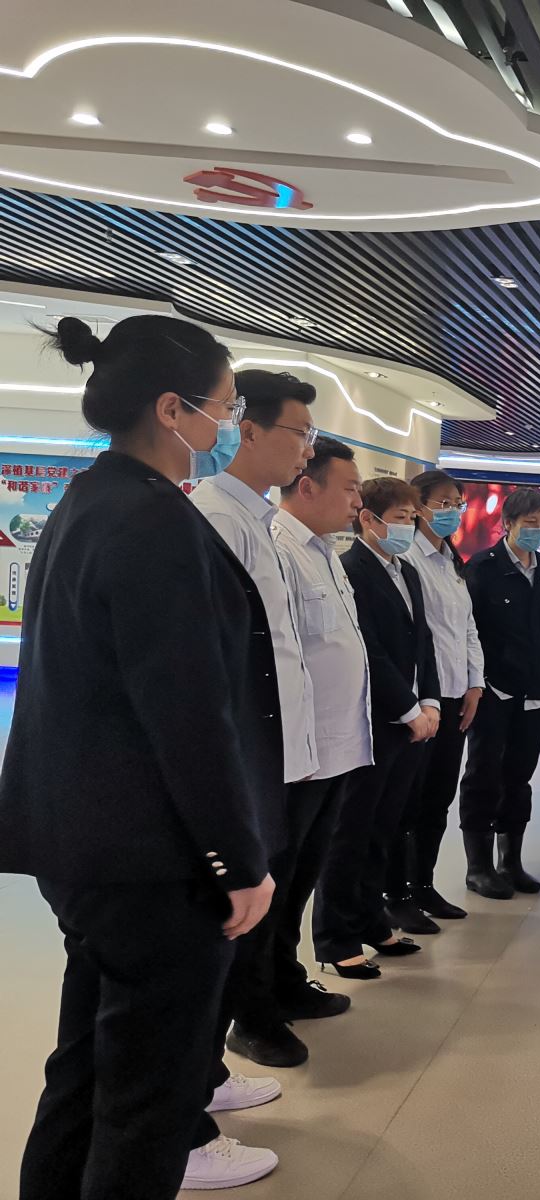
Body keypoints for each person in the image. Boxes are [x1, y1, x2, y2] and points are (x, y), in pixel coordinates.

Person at [0, 315, 281, 1196]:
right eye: (224, 408)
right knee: (148, 1098)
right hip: (149, 860)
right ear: (171, 409)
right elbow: (187, 712)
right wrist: (237, 859)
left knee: (87, 1068)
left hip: (85, 844)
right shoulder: (154, 520)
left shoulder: (89, 502)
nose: (227, 425)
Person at [190, 369, 318, 1081]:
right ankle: (203, 1074)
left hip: (280, 751)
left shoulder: (263, 521)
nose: (308, 449)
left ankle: (214, 1066)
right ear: (248, 429)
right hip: (243, 755)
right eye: (300, 433)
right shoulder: (216, 517)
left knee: (264, 902)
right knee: (229, 915)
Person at [315, 478, 441, 978]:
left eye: (413, 517)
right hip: (372, 718)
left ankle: (372, 919)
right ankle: (335, 936)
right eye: (402, 517)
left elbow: (422, 641)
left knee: (384, 827)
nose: (410, 526)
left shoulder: (406, 571)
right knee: (351, 830)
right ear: (369, 519)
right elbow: (368, 648)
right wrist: (408, 709)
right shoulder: (352, 570)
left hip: (411, 720)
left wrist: (430, 700)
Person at [269, 436, 373, 1024]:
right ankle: (258, 1004)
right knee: (278, 882)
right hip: (299, 756)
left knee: (302, 877)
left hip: (336, 747)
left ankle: (285, 978)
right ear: (307, 486)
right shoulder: (278, 548)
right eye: (350, 488)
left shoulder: (326, 552)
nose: (358, 500)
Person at [387, 469, 486, 932]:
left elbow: (467, 627)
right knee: (407, 800)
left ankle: (423, 884)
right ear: (419, 506)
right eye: (442, 502)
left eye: (457, 503)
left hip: (454, 696)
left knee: (438, 797)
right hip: (420, 700)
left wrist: (475, 684)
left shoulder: (451, 561)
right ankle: (396, 893)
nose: (452, 512)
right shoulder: (408, 559)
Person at [460, 487, 540, 898]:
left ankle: (510, 862)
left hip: (536, 691)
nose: (538, 530)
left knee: (519, 776)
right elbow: (469, 630)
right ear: (508, 524)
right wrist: (477, 680)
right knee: (484, 774)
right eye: (529, 523)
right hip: (494, 690)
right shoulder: (483, 568)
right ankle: (478, 867)